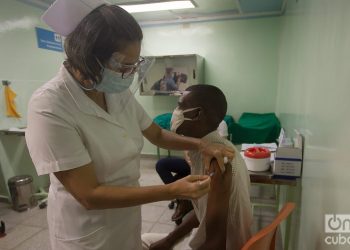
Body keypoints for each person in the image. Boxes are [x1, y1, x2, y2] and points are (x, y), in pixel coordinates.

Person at [25, 1, 234, 250]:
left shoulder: (113, 90)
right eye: (124, 65)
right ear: (88, 57)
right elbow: (88, 194)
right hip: (85, 231)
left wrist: (201, 144)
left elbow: (156, 134)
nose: (130, 73)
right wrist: (171, 191)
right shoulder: (49, 106)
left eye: (134, 65)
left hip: (125, 218)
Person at [142, 85, 253, 250]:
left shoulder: (217, 161)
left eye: (180, 106)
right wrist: (169, 241)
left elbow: (215, 245)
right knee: (147, 240)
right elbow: (204, 211)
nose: (175, 112)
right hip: (210, 239)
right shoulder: (214, 147)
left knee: (143, 242)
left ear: (197, 114)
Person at [155, 120, 229, 224]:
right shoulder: (192, 122)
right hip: (191, 162)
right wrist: (187, 156)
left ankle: (183, 201)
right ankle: (181, 199)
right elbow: (186, 145)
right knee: (161, 164)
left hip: (207, 165)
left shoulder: (221, 123)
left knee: (180, 177)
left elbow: (221, 149)